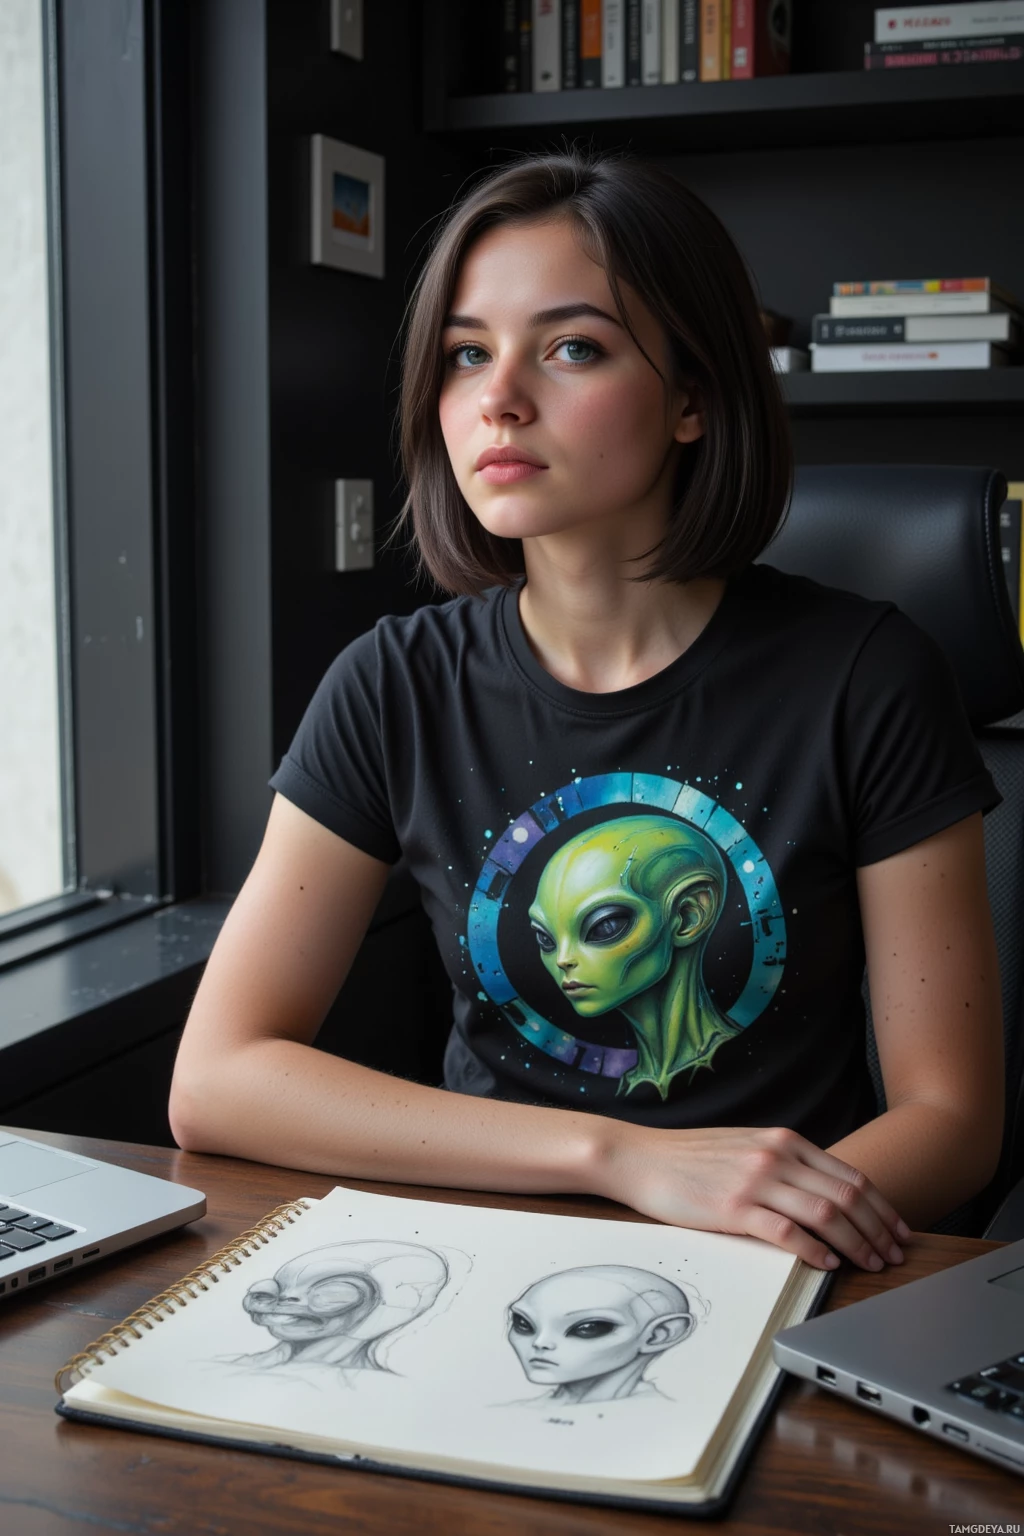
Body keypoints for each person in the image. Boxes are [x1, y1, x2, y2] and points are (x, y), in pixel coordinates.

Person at [169, 147, 1005, 1277]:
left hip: (773, 1266)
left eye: (572, 348)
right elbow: (216, 1079)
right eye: (467, 354)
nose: (499, 399)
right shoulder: (391, 683)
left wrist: (724, 1259)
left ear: (693, 400)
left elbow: (951, 1122)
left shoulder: (868, 674)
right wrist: (616, 1156)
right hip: (481, 1260)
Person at [504, 1265, 696, 1405]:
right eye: (524, 1324)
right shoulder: (509, 1413)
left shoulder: (664, 1419)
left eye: (588, 1328)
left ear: (660, 1335)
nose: (540, 1343)